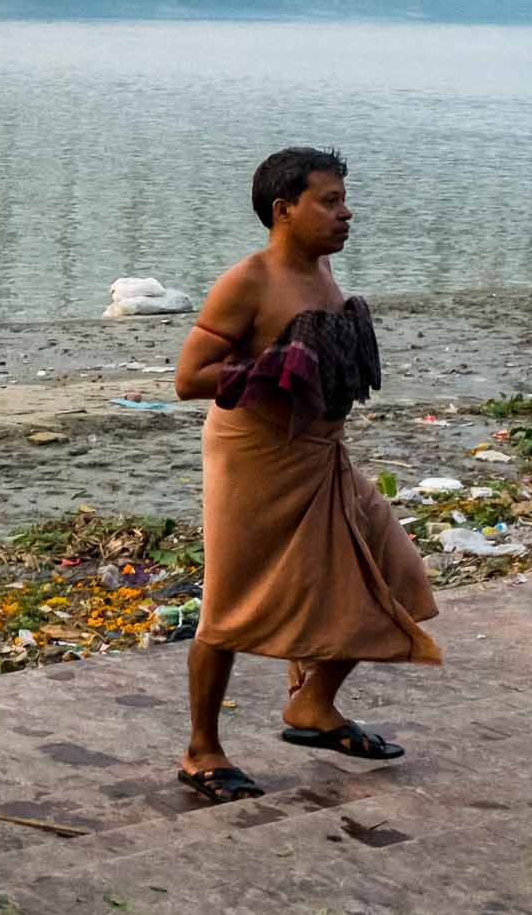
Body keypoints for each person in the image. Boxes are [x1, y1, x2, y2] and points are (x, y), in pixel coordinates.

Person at [170, 147, 440, 804]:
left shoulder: (321, 271)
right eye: (329, 200)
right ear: (283, 209)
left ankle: (312, 704)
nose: (345, 213)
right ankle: (201, 748)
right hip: (254, 459)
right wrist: (264, 370)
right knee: (229, 606)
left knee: (397, 572)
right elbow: (187, 379)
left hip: (323, 453)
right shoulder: (249, 281)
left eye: (345, 199)